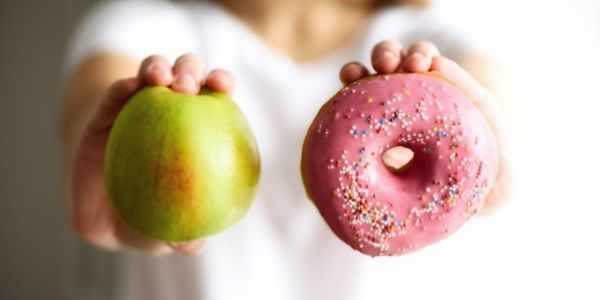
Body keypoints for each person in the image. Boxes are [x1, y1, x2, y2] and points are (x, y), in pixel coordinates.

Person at [60, 0, 512, 298]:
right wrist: (113, 189)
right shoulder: (144, 25)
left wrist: (497, 157)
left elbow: (497, 119)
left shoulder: (439, 41)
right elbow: (94, 105)